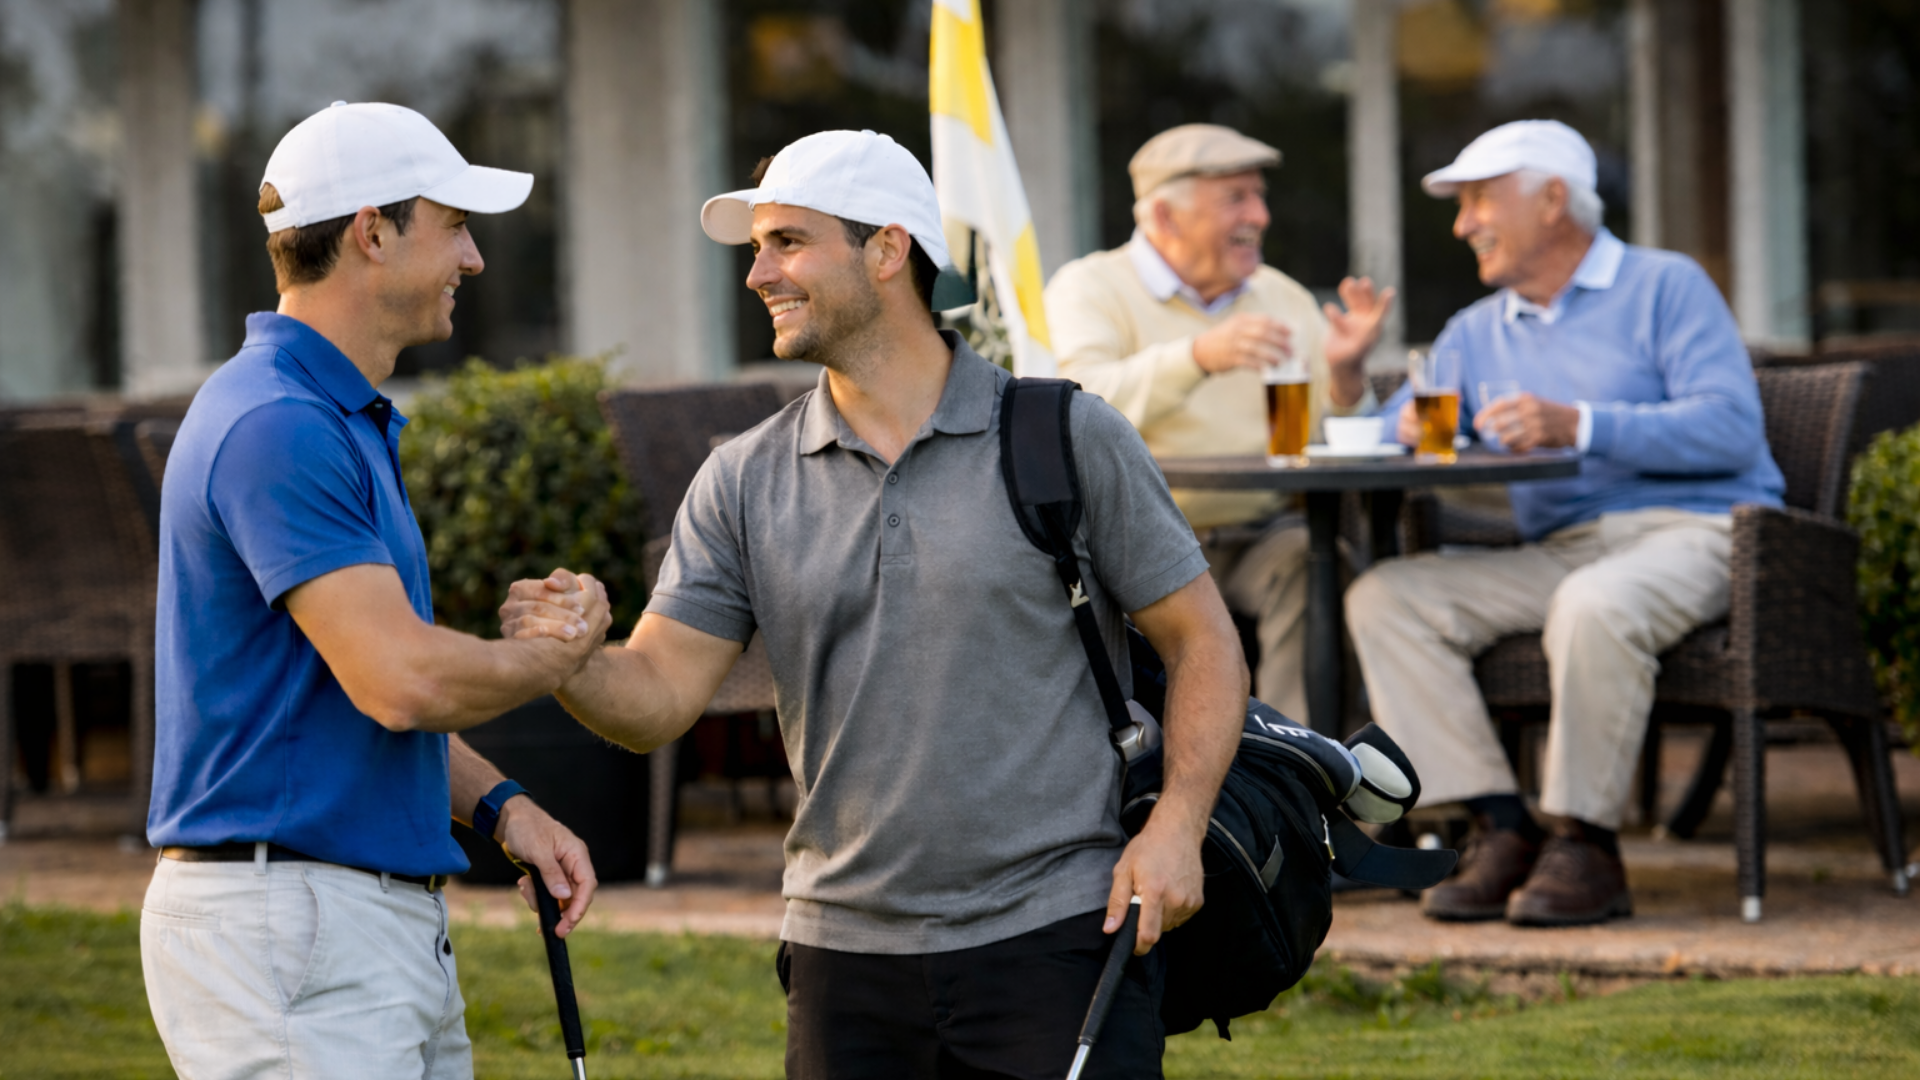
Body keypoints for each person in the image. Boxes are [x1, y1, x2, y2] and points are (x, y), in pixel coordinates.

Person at [501, 129, 1246, 1078]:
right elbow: (655, 699)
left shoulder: (1066, 437)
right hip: (840, 952)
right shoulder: (742, 478)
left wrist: (1176, 826)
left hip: (1057, 934)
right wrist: (573, 658)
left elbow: (1202, 640)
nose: (759, 272)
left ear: (887, 251)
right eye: (757, 247)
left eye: (788, 242)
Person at [142, 101, 612, 1079]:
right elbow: (400, 681)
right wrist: (558, 656)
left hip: (344, 923)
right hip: (297, 932)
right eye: (454, 226)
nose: (474, 260)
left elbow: (336, 703)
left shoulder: (330, 416)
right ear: (372, 232)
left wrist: (502, 810)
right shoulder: (278, 423)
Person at [1346, 120, 1785, 927]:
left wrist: (1578, 423)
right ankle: (1501, 826)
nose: (1462, 222)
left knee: (1595, 604)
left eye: (1480, 199)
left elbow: (1731, 426)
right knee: (1386, 598)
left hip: (1696, 532)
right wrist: (1379, 410)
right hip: (1560, 549)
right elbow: (1390, 429)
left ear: (1553, 200)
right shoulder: (1477, 332)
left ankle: (1587, 844)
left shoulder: (1665, 285)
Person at [1045, 123, 1395, 726]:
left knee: (1317, 566)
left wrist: (1345, 378)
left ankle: (1292, 772)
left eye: (1259, 196)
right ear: (1165, 215)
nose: (1259, 215)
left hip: (1259, 534)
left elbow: (1337, 435)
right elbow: (1074, 407)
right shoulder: (1091, 287)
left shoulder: (1280, 296)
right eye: (1236, 198)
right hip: (1130, 543)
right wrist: (1198, 357)